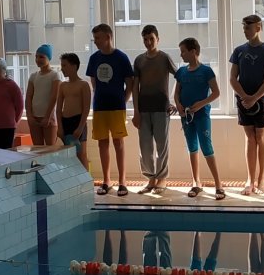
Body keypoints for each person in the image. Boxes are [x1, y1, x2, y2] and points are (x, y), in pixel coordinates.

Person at [230, 14, 264, 196]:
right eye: (243, 28)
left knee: (260, 137)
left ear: (258, 28)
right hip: (243, 99)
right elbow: (233, 78)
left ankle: (261, 179)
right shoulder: (238, 51)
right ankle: (250, 179)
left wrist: (255, 98)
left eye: (248, 27)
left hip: (260, 99)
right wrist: (245, 97)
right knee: (250, 138)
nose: (245, 31)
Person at [174, 38, 225, 199]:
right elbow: (176, 93)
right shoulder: (181, 72)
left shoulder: (206, 71)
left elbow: (216, 93)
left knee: (206, 147)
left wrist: (201, 104)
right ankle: (196, 182)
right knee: (192, 147)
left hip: (201, 116)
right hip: (186, 116)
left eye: (183, 51)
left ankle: (218, 185)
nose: (181, 55)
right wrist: (178, 105)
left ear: (193, 51)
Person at [86, 23, 134, 197]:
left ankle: (122, 181)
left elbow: (130, 83)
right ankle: (107, 180)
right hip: (99, 107)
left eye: (98, 38)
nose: (95, 41)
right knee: (102, 143)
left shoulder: (121, 57)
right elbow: (93, 81)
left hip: (117, 107)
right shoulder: (94, 58)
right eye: (94, 38)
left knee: (118, 143)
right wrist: (99, 94)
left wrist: (123, 100)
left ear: (108, 37)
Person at [132, 24, 177, 195]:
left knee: (161, 145)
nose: (148, 42)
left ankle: (162, 178)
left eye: (151, 39)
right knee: (145, 146)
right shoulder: (139, 60)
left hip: (161, 109)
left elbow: (180, 77)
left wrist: (174, 100)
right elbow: (135, 87)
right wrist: (136, 112)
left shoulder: (164, 58)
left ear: (158, 39)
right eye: (145, 39)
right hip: (143, 109)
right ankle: (150, 178)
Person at [56, 52, 91, 169]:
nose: (62, 69)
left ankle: (85, 180)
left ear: (74, 66)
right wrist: (60, 127)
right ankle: (73, 179)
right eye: (61, 66)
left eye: (64, 65)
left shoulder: (83, 85)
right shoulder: (63, 85)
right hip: (65, 122)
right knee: (69, 156)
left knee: (81, 154)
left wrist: (80, 127)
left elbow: (86, 108)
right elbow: (58, 109)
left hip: (78, 121)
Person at [26, 44, 62, 146]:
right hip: (34, 117)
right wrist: (29, 116)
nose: (38, 59)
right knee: (38, 149)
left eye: (41, 57)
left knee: (50, 149)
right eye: (36, 57)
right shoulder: (33, 76)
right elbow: (28, 97)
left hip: (49, 117)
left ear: (48, 58)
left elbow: (54, 97)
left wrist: (47, 117)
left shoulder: (54, 75)